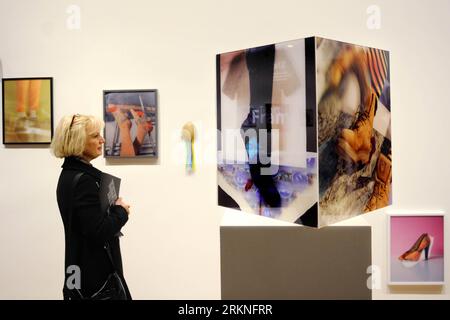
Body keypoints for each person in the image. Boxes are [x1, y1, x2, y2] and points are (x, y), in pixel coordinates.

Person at [50, 114, 132, 300]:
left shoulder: (69, 175)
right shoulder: (84, 181)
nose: (102, 140)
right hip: (96, 278)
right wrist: (121, 211)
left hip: (81, 271)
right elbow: (99, 231)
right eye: (95, 136)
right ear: (79, 141)